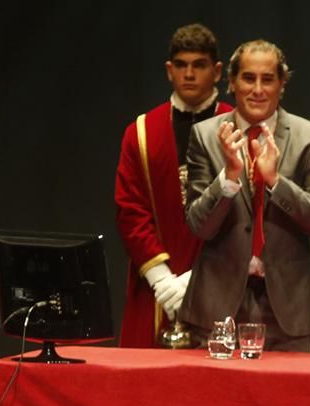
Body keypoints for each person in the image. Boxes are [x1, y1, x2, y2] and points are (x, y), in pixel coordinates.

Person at [181, 39, 310, 351]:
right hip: (217, 306)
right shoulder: (206, 135)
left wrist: (276, 181)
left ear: (282, 85)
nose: (258, 89)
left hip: (288, 312)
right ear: (232, 83)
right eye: (249, 78)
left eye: (268, 79)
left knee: (287, 401)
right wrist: (229, 177)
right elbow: (199, 226)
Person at [113, 24, 232, 348]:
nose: (189, 74)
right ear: (169, 70)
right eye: (181, 65)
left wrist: (198, 278)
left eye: (199, 65)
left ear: (217, 71)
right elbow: (130, 209)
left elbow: (244, 214)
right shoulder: (141, 131)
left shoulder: (237, 127)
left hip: (223, 282)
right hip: (157, 288)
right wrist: (161, 278)